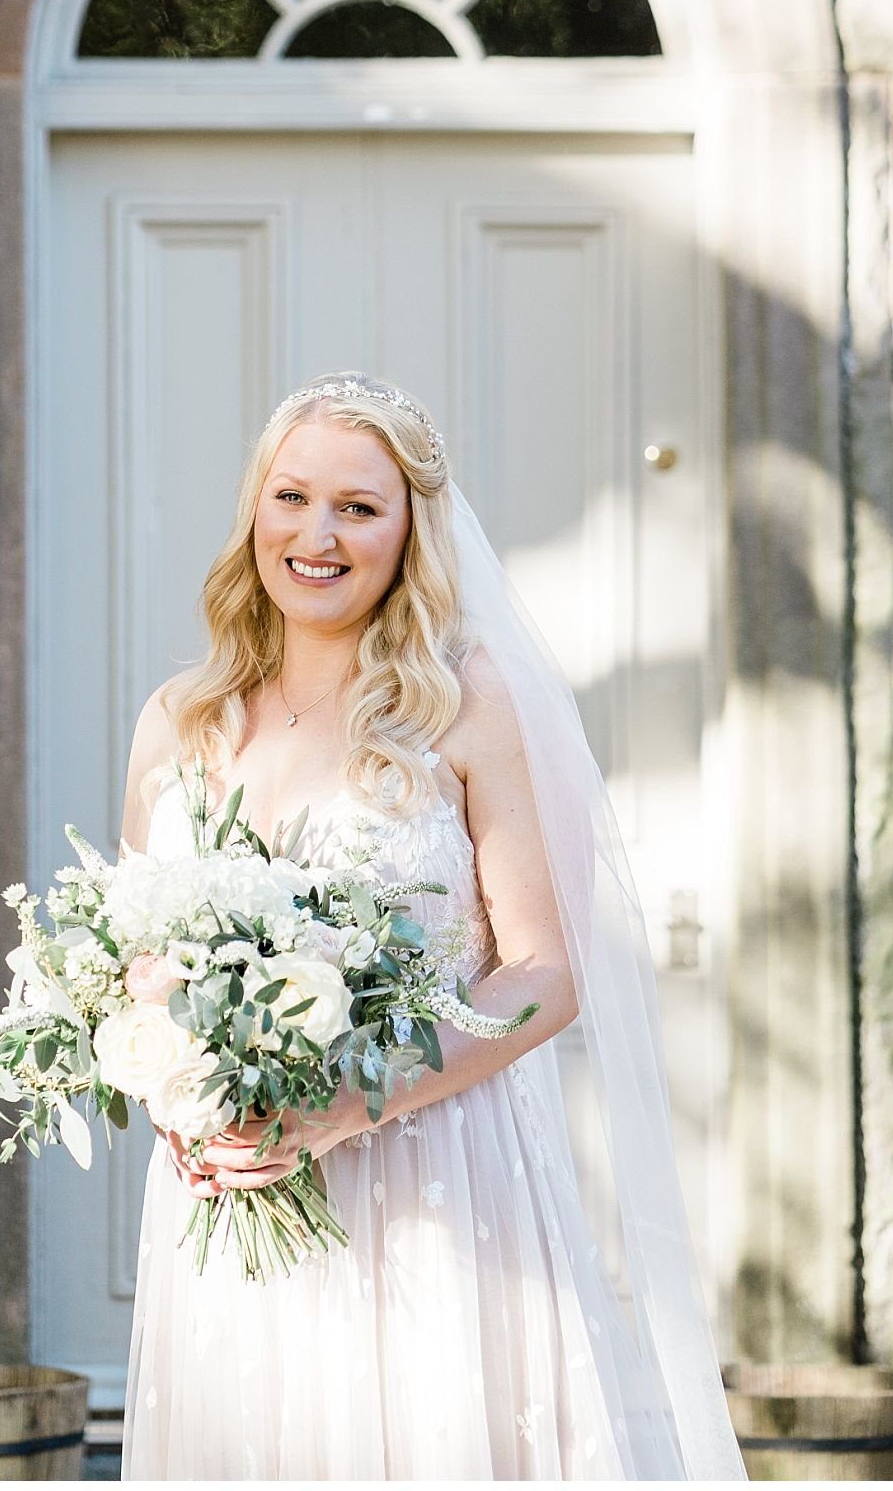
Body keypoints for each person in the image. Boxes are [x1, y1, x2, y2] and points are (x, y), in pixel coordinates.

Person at [118, 372, 747, 1481]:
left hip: (433, 1179)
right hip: (228, 1188)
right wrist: (182, 1091)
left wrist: (339, 1105)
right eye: (292, 496)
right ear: (253, 511)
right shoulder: (180, 717)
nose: (317, 533)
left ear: (410, 529)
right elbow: (134, 961)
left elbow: (545, 972)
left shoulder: (461, 699)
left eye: (358, 506)